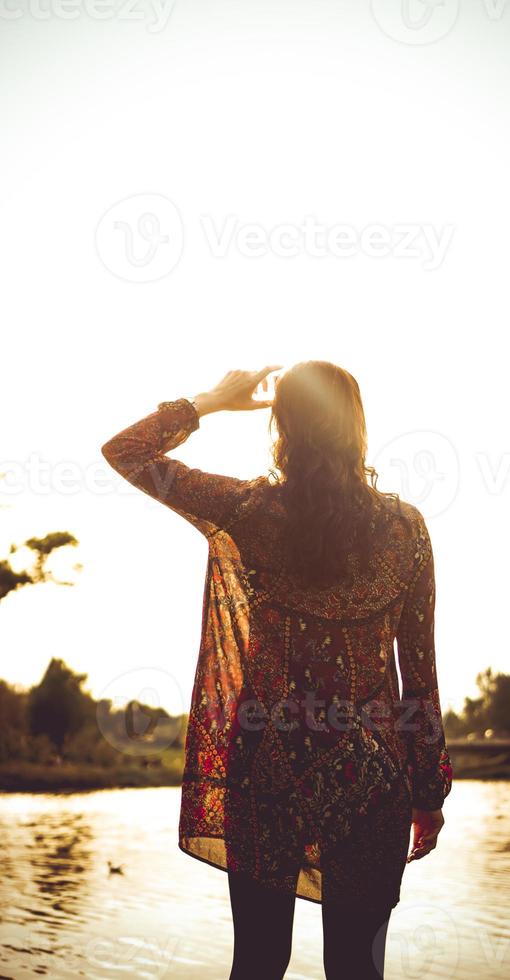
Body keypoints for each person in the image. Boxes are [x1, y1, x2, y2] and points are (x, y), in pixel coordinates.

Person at [101, 360, 453, 979]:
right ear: (358, 425)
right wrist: (428, 793)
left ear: (282, 427)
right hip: (370, 777)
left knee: (259, 962)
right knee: (358, 968)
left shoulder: (248, 511)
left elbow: (125, 451)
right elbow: (418, 674)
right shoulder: (407, 532)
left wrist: (208, 402)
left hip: (269, 766)